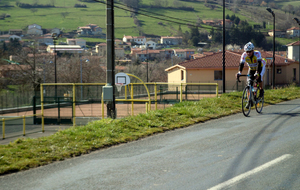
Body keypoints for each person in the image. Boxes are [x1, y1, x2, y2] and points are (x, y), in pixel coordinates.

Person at [236, 42, 266, 108]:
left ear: (253, 50)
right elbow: (241, 64)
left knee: (259, 77)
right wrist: (239, 73)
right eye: (247, 52)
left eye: (250, 51)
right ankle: (250, 101)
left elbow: (258, 63)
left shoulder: (257, 53)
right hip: (251, 68)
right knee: (249, 83)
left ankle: (261, 90)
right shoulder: (244, 55)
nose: (248, 53)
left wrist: (257, 73)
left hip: (260, 66)